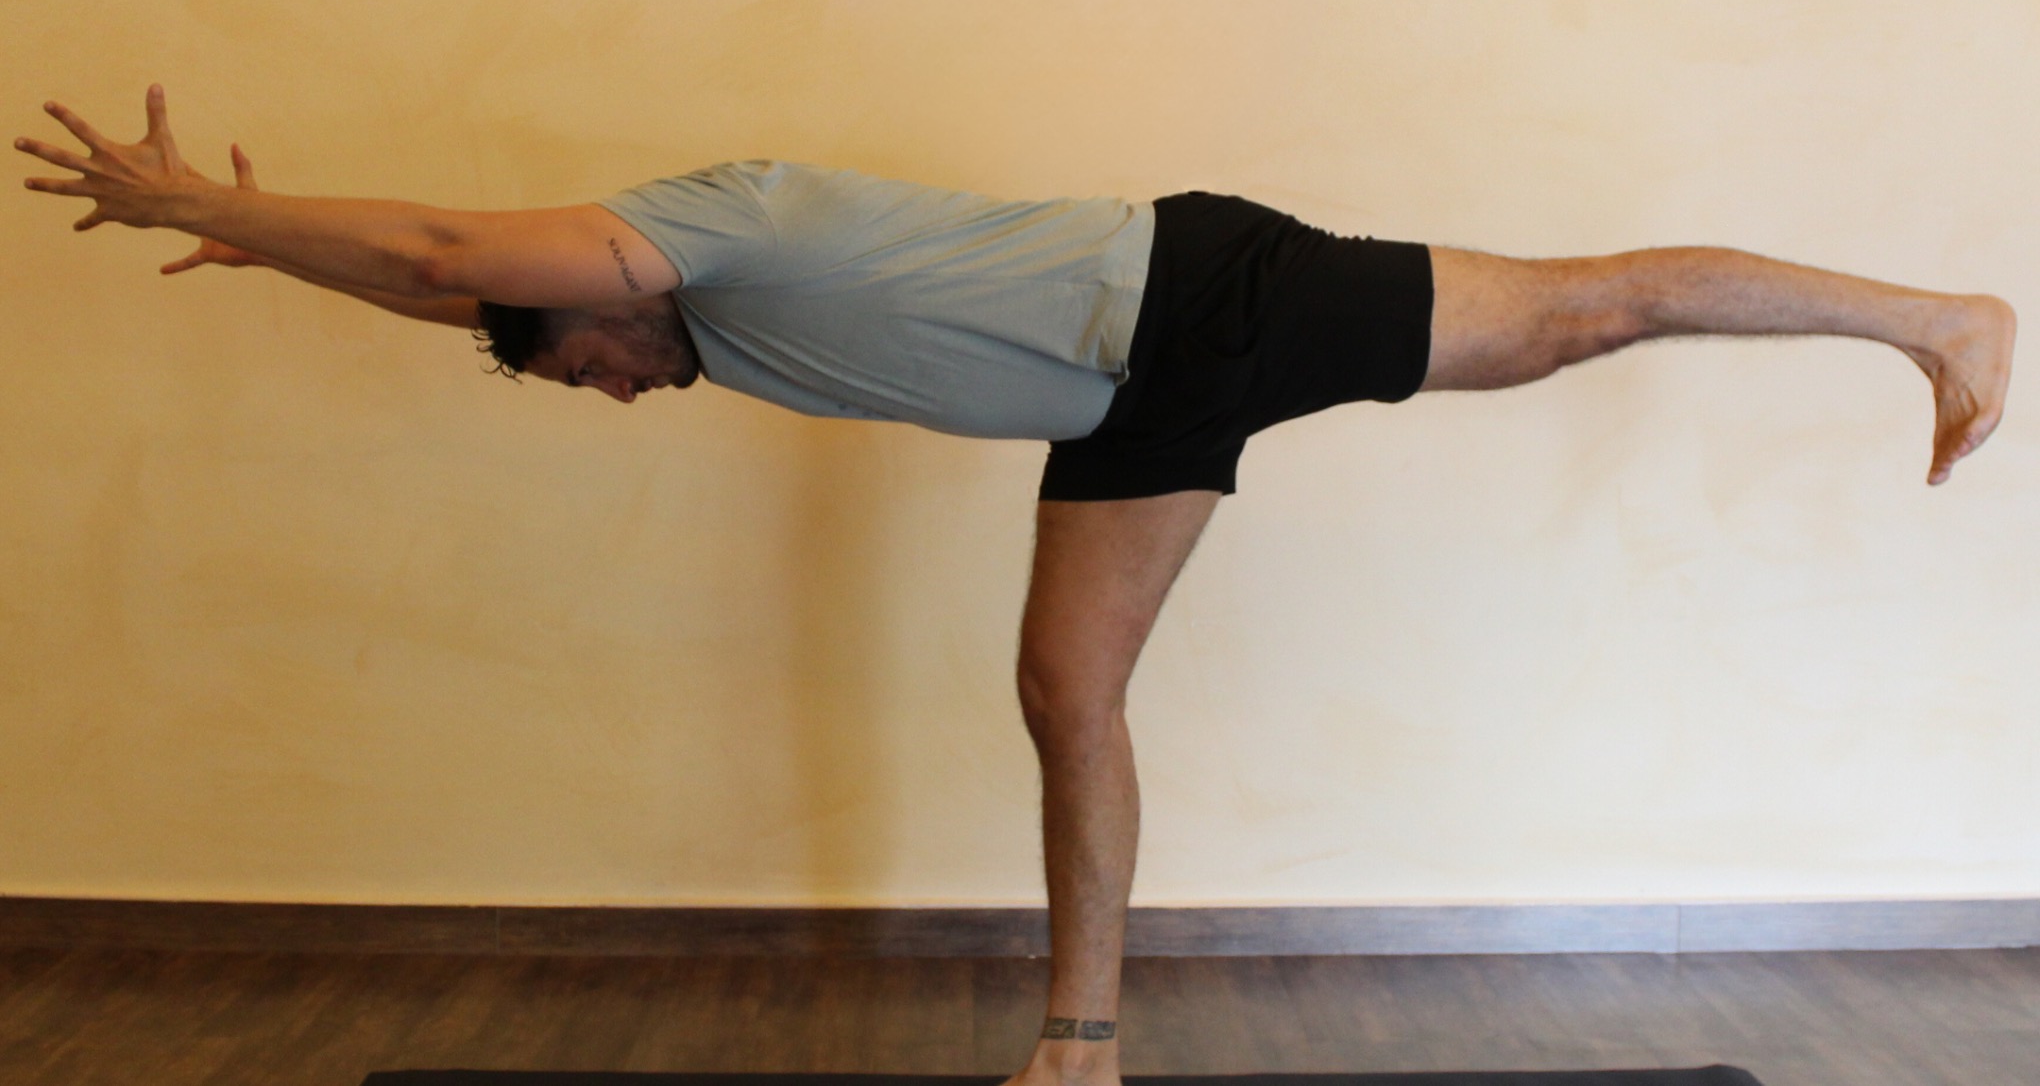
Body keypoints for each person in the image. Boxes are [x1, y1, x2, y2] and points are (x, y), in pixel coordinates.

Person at [17, 87, 2017, 1086]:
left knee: (1588, 315)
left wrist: (202, 199)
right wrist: (283, 254)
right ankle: (1081, 1045)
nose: (612, 388)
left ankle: (1941, 320)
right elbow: (451, 286)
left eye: (586, 368)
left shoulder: (701, 231)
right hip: (1125, 397)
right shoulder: (692, 317)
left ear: (593, 306)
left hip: (1201, 294)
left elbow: (461, 254)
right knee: (1069, 694)